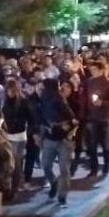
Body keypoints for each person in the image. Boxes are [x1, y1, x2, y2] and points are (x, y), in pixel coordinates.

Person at [39, 79, 77, 207]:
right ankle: (54, 182)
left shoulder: (59, 100)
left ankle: (62, 197)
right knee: (45, 165)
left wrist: (67, 126)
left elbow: (72, 118)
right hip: (49, 138)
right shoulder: (42, 100)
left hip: (63, 140)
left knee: (64, 169)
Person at [83, 62, 109, 176]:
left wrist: (102, 103)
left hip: (105, 118)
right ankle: (94, 168)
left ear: (101, 70)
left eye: (95, 70)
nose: (92, 72)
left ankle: (107, 164)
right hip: (92, 117)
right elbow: (85, 99)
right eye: (91, 70)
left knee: (105, 144)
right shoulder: (89, 82)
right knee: (92, 145)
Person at [0, 79, 33, 200]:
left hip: (19, 135)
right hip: (6, 135)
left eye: (13, 90)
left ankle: (13, 189)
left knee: (16, 163)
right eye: (9, 90)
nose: (11, 93)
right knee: (6, 163)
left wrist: (26, 128)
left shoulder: (23, 101)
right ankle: (6, 188)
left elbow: (30, 117)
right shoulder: (3, 101)